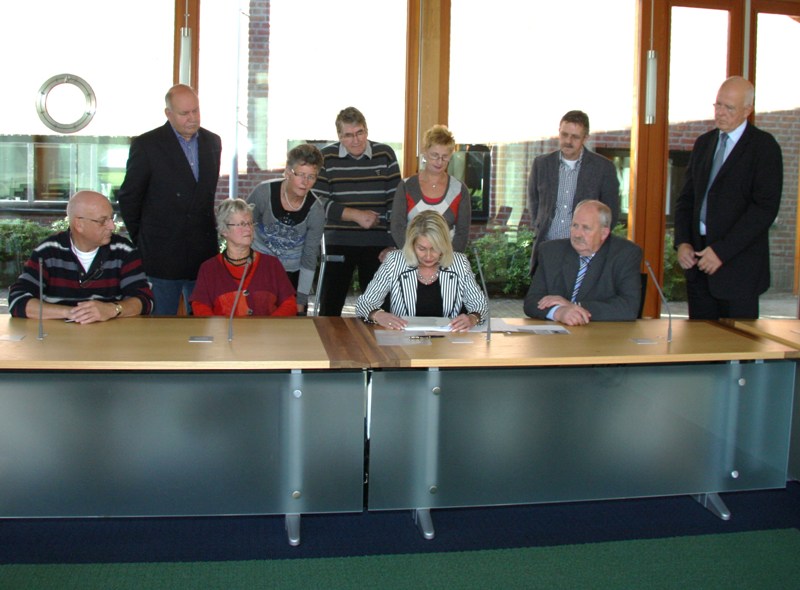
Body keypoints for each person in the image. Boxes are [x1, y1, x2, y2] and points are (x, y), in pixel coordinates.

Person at [674, 76, 783, 320]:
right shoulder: (704, 143)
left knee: (737, 341)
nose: (720, 113)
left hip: (738, 269)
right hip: (698, 264)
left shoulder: (763, 147)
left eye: (729, 108)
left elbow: (764, 209)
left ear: (747, 110)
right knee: (700, 339)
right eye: (718, 105)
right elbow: (686, 200)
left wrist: (721, 252)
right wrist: (682, 242)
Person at [117, 84, 222, 315]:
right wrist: (144, 237)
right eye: (184, 113)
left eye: (196, 110)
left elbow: (205, 197)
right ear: (168, 113)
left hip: (202, 253)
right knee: (160, 326)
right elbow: (129, 198)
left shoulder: (213, 142)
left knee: (204, 325)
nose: (192, 118)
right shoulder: (147, 145)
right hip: (161, 254)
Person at [8, 191, 153, 323]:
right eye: (103, 220)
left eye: (111, 218)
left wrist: (113, 309)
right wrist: (72, 313)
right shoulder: (48, 251)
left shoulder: (123, 250)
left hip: (109, 339)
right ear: (79, 224)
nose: (112, 226)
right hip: (57, 338)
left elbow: (145, 300)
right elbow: (17, 300)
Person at [314, 106, 401, 316]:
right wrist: (355, 215)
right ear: (339, 136)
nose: (355, 140)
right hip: (337, 241)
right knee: (329, 309)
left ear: (367, 130)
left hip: (378, 245)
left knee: (379, 310)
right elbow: (317, 202)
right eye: (348, 135)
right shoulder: (326, 157)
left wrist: (394, 244)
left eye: (359, 133)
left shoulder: (385, 154)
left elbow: (396, 203)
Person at [356, 210, 487, 332]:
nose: (428, 256)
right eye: (422, 248)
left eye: (435, 248)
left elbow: (480, 304)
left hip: (448, 340)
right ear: (412, 244)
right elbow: (364, 304)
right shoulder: (394, 261)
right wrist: (378, 315)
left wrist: (472, 318)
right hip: (402, 340)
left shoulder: (459, 263)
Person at [527, 110, 620, 272]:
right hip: (547, 249)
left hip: (584, 253)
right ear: (559, 132)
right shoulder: (542, 164)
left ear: (585, 138)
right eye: (564, 135)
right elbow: (534, 203)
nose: (568, 141)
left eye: (575, 137)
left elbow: (610, 213)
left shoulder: (603, 168)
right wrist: (539, 225)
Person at [524, 200, 641, 325]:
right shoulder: (551, 252)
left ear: (604, 233)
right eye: (575, 225)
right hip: (558, 333)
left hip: (602, 334)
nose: (577, 234)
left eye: (586, 228)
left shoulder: (625, 254)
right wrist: (559, 312)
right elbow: (532, 302)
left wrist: (573, 306)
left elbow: (629, 307)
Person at [247, 144, 325, 315]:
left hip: (291, 274)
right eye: (300, 175)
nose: (305, 182)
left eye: (311, 177)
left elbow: (310, 255)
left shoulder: (316, 210)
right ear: (288, 172)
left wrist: (301, 300)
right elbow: (243, 229)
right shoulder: (263, 193)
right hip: (257, 268)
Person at [190, 199, 297, 317]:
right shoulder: (209, 269)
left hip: (268, 329)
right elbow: (200, 306)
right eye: (241, 224)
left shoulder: (271, 265)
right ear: (224, 230)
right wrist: (218, 326)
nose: (248, 229)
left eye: (250, 223)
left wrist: (270, 324)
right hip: (224, 329)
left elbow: (290, 304)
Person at [390, 124, 471, 252]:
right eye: (435, 155)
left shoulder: (459, 189)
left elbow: (462, 232)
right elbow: (397, 227)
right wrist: (415, 256)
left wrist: (447, 259)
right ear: (425, 152)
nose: (439, 161)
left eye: (445, 156)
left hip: (447, 260)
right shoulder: (406, 186)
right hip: (411, 258)